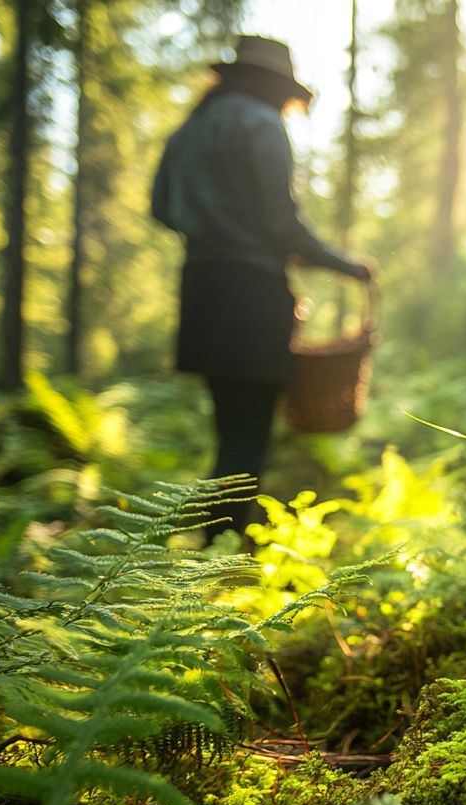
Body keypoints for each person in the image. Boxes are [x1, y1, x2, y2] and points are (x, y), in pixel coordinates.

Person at [151, 35, 374, 541]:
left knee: (231, 426)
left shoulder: (189, 129)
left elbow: (161, 207)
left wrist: (210, 228)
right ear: (277, 86)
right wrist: (348, 266)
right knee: (250, 434)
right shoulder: (261, 123)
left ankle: (210, 544)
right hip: (252, 291)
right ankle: (223, 554)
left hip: (203, 286)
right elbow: (281, 223)